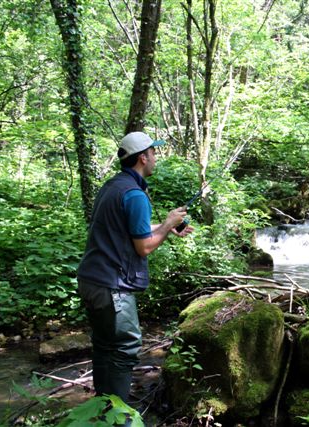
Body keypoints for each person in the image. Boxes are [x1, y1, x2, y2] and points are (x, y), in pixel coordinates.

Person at [77, 131, 193, 403]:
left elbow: (128, 231)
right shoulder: (135, 195)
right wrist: (166, 225)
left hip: (91, 280)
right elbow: (144, 247)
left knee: (105, 346)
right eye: (153, 153)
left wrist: (163, 229)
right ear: (143, 157)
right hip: (112, 286)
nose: (155, 158)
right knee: (125, 347)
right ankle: (119, 416)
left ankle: (104, 408)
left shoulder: (112, 186)